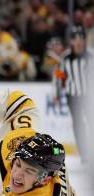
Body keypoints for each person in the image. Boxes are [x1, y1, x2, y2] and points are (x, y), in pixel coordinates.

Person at [53, 26, 91, 163]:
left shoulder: (91, 56)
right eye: (76, 39)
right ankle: (85, 155)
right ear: (72, 41)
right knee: (79, 125)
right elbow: (58, 77)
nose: (79, 42)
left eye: (81, 38)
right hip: (73, 97)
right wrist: (56, 93)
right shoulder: (66, 58)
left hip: (89, 96)